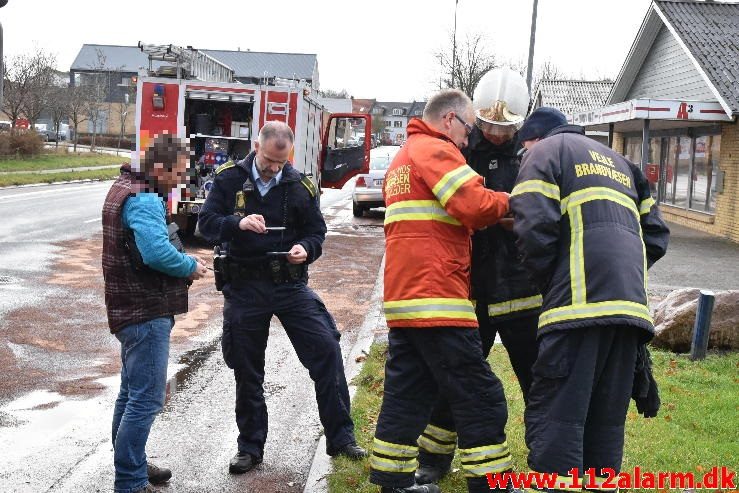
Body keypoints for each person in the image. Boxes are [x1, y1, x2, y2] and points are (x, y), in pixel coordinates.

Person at [509, 107, 670, 490]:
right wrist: (620, 275)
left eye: (522, 148)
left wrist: (551, 282)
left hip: (576, 310)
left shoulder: (545, 153)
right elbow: (656, 236)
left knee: (559, 417)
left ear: (533, 138)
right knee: (605, 422)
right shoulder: (622, 163)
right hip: (629, 311)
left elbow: (532, 227)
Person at [197, 121, 366, 476]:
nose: (275, 169)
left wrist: (305, 248)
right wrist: (237, 224)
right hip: (244, 287)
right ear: (257, 147)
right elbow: (206, 223)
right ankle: (250, 447)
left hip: (289, 286)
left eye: (281, 162)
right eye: (270, 161)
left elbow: (316, 231)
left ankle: (341, 438)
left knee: (326, 349)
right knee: (247, 369)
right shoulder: (229, 179)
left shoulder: (299, 183)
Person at [369, 89, 513, 493]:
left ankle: (392, 482)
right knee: (480, 394)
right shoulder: (436, 150)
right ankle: (492, 483)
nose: (470, 140)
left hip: (405, 301)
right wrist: (511, 202)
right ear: (450, 120)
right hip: (438, 299)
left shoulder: (401, 158)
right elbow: (473, 205)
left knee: (407, 393)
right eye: (469, 129)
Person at [415, 68, 542, 486]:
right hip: (469, 291)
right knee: (455, 380)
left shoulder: (532, 158)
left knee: (538, 382)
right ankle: (433, 459)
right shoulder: (458, 151)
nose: (495, 132)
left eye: (504, 127)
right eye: (488, 124)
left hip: (522, 291)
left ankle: (547, 456)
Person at [102, 133, 208, 493]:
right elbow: (156, 254)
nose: (181, 181)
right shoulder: (144, 199)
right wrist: (190, 265)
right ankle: (130, 481)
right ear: (161, 168)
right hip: (144, 309)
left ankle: (133, 463)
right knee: (146, 398)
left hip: (128, 307)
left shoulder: (123, 186)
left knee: (130, 392)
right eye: (179, 173)